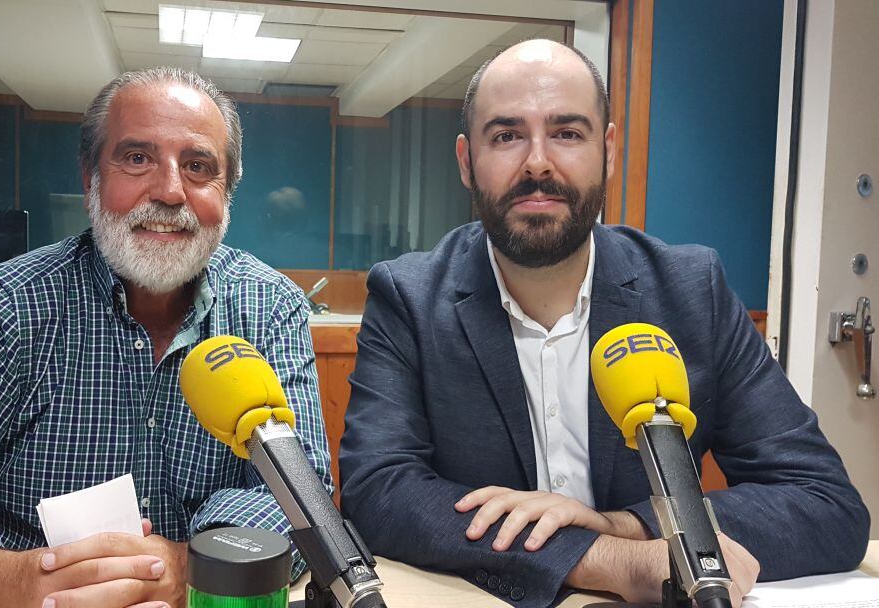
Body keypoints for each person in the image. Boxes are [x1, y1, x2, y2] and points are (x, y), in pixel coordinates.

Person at [339, 39, 869, 608]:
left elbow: (825, 503)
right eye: (507, 135)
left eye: (567, 133)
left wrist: (626, 525)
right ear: (467, 162)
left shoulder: (692, 291)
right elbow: (379, 494)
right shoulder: (410, 297)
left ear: (609, 151)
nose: (537, 162)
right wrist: (608, 561)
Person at [0, 67, 331, 608]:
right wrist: (17, 582)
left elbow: (302, 495)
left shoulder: (272, 307)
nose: (170, 191)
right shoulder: (8, 304)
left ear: (226, 193)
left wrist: (190, 564)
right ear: (90, 177)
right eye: (137, 158)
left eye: (198, 166)